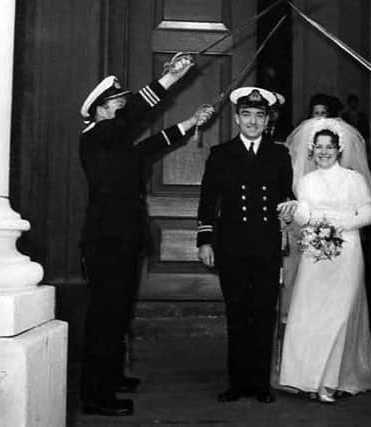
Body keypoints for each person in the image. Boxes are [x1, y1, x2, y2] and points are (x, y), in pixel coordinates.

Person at [78, 53, 215, 416]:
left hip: (120, 241)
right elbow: (136, 114)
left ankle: (110, 378)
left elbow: (148, 148)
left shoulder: (114, 143)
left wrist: (189, 122)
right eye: (118, 104)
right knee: (106, 317)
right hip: (107, 244)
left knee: (118, 312)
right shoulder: (97, 136)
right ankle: (97, 396)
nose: (123, 107)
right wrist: (170, 78)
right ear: (101, 110)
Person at [196, 86, 297, 404]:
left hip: (266, 245)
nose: (253, 121)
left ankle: (260, 384)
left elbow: (286, 195)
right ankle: (237, 383)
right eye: (247, 115)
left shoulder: (279, 154)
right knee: (237, 313)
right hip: (232, 246)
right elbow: (208, 201)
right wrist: (205, 240)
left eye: (259, 115)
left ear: (266, 120)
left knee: (264, 313)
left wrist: (289, 215)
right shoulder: (221, 154)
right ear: (237, 118)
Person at [278, 117, 371, 403]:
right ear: (312, 150)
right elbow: (305, 215)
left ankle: (331, 382)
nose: (324, 152)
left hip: (347, 253)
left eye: (329, 147)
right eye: (319, 147)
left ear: (339, 150)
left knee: (338, 316)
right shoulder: (306, 181)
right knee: (311, 314)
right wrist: (292, 212)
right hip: (315, 255)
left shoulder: (354, 180)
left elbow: (366, 216)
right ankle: (307, 379)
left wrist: (330, 221)